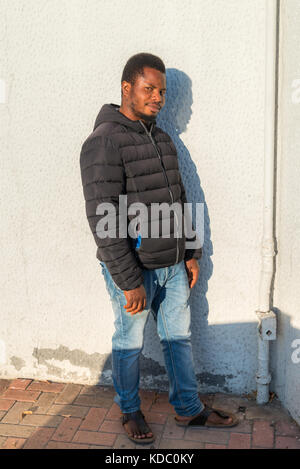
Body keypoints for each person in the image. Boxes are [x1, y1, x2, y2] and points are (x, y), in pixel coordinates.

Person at [80, 53, 238, 444]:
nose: (158, 98)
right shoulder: (103, 142)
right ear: (126, 87)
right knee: (129, 342)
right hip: (133, 267)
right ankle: (129, 409)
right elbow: (105, 219)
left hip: (171, 264)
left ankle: (189, 409)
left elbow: (179, 200)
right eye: (150, 89)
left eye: (163, 91)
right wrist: (128, 280)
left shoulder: (162, 138)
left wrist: (190, 252)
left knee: (177, 338)